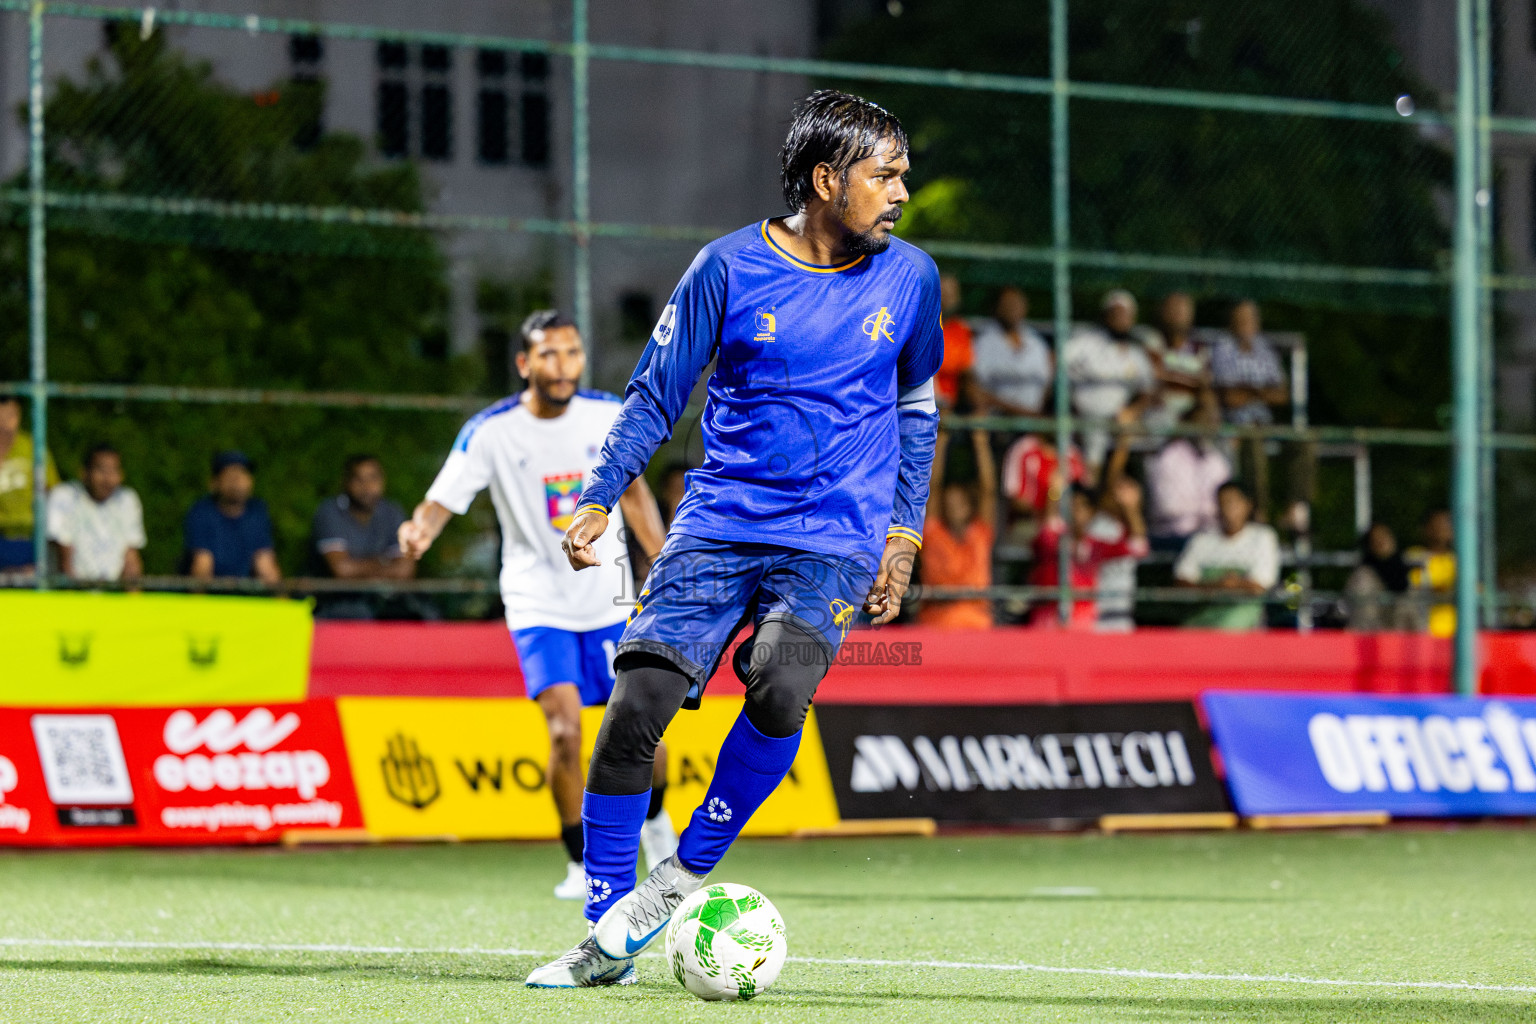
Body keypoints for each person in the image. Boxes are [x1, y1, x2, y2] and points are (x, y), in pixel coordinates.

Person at [524, 90, 942, 988]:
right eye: (887, 173)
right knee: (637, 705)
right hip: (719, 526)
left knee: (783, 683)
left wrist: (903, 533)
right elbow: (655, 394)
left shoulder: (912, 278)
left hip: (834, 535)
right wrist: (600, 496)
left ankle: (677, 879)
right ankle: (605, 932)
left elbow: (916, 410)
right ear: (829, 180)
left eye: (903, 172)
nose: (904, 189)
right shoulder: (725, 268)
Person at [397, 309, 674, 907]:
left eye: (571, 352)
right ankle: (580, 860)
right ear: (524, 363)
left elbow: (636, 492)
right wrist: (420, 531)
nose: (562, 365)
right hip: (537, 601)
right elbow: (441, 500)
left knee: (643, 727)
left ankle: (655, 826)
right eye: (548, 355)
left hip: (612, 595)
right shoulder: (491, 431)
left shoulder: (607, 414)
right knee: (565, 732)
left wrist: (663, 559)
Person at [1028, 477, 1148, 628]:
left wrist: (1130, 508)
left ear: (1091, 513)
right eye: (1072, 506)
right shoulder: (1053, 540)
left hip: (1084, 622)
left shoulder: (1095, 545)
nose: (1076, 512)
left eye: (1082, 507)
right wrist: (1054, 492)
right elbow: (1048, 524)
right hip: (1048, 620)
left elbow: (1137, 547)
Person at [1063, 290, 1156, 474]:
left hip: (1119, 419)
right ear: (1105, 316)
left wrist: (1132, 410)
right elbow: (1059, 366)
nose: (1120, 319)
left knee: (1136, 429)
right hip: (1083, 416)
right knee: (1094, 433)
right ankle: (1092, 487)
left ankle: (1109, 488)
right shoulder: (1086, 342)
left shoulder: (1136, 353)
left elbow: (1149, 390)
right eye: (1115, 314)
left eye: (1124, 315)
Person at [1173, 481, 1279, 630]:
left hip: (1244, 616)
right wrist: (1222, 585)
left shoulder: (1262, 537)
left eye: (1232, 503)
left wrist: (1218, 586)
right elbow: (1182, 580)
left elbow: (1260, 586)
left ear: (1248, 505)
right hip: (1202, 613)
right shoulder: (1202, 539)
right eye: (1222, 503)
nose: (1227, 509)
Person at [919, 429, 996, 629]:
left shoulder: (980, 533)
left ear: (970, 505)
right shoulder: (933, 533)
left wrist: (980, 442)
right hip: (936, 621)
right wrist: (941, 440)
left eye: (960, 502)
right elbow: (932, 488)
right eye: (949, 502)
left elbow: (988, 491)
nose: (954, 507)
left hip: (977, 621)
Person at [1142, 390, 1231, 553]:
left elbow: (1226, 499)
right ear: (1188, 422)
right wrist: (1209, 513)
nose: (1207, 426)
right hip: (1173, 534)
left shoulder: (1215, 458)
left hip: (1211, 533)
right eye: (1201, 420)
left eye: (1210, 421)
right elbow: (1168, 507)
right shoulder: (1168, 457)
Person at [47, 443, 144, 582]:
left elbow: (131, 557)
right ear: (84, 473)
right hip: (71, 594)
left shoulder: (127, 501)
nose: (108, 478)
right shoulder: (64, 497)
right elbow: (64, 558)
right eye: (102, 470)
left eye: (114, 471)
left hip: (109, 594)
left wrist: (135, 600)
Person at [183, 450, 281, 583]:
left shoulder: (257, 513)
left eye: (242, 474)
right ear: (214, 483)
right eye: (230, 475)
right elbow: (202, 566)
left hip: (246, 597)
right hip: (213, 597)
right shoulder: (202, 512)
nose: (237, 482)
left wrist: (282, 600)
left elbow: (265, 566)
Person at [971, 286, 1052, 416]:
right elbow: (976, 389)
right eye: (1007, 304)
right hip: (999, 422)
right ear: (996, 308)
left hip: (1035, 423)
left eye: (1017, 303)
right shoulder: (983, 343)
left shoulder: (1037, 343)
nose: (1012, 308)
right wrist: (1020, 412)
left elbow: (1047, 383)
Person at [0, 395, 59, 572]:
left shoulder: (33, 448)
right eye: (3, 416)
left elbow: (53, 494)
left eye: (13, 415)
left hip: (31, 538)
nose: (7, 423)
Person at [1210, 299, 1286, 426]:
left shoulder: (1266, 350)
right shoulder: (1223, 349)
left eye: (1250, 318)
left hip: (1265, 425)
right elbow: (1230, 397)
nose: (1246, 323)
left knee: (1305, 443)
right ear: (1232, 322)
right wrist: (1263, 391)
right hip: (1233, 425)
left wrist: (1247, 390)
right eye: (1241, 319)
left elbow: (1281, 395)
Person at [1145, 291, 1210, 429]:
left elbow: (1204, 383)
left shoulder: (1199, 349)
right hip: (1161, 408)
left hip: (1191, 411)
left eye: (1182, 309)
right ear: (1163, 312)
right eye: (1173, 308)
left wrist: (1173, 376)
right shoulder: (1153, 342)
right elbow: (1156, 377)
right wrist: (1190, 379)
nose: (1177, 314)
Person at [1346, 523, 1423, 632]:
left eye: (1384, 536)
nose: (1381, 542)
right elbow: (1363, 617)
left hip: (1404, 639)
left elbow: (1414, 613)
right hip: (1373, 640)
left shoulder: (1405, 571)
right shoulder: (1363, 576)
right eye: (1375, 539)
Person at [1405, 508, 1456, 638]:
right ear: (1426, 529)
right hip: (1419, 633)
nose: (1441, 529)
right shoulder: (1413, 556)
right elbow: (1410, 587)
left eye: (1446, 525)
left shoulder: (1459, 561)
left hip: (1454, 635)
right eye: (1436, 524)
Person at [933, 272, 974, 411]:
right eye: (942, 292)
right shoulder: (919, 324)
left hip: (952, 402)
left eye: (951, 294)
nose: (945, 299)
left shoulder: (961, 329)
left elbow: (965, 369)